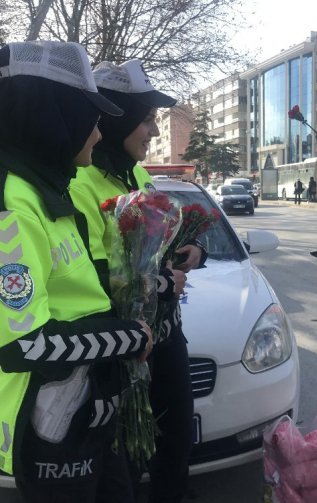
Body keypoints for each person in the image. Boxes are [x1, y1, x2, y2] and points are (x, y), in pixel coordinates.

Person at [0, 41, 153, 503]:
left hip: (88, 409)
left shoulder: (46, 191)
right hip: (50, 425)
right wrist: (131, 337)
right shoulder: (8, 211)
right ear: (55, 118)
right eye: (90, 121)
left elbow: (81, 298)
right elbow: (24, 343)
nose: (99, 136)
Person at [69, 59, 206, 503]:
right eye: (146, 118)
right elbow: (101, 278)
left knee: (178, 440)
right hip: (120, 348)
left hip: (164, 334)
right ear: (119, 117)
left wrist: (191, 252)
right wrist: (165, 284)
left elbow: (157, 247)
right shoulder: (80, 183)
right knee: (127, 455)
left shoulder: (139, 175)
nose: (153, 130)